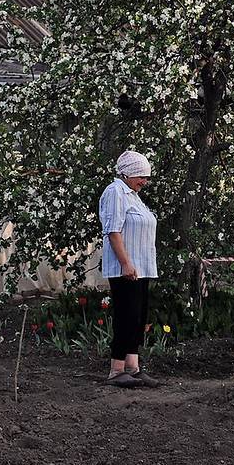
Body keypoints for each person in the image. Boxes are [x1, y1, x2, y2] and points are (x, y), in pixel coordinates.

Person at [98, 150, 160, 388]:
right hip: (126, 268)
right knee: (126, 316)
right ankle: (116, 370)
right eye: (141, 176)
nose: (144, 181)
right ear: (127, 173)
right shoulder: (115, 192)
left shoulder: (133, 195)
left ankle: (133, 368)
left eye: (146, 177)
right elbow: (113, 231)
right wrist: (125, 262)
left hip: (142, 267)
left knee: (137, 317)